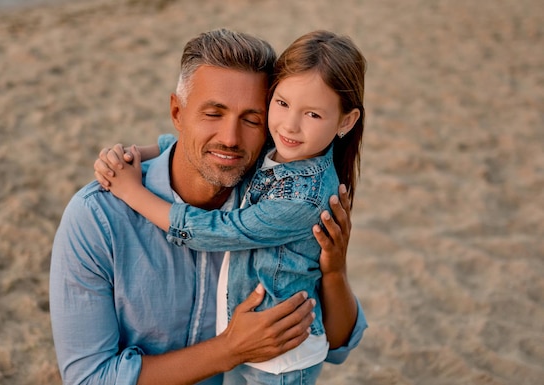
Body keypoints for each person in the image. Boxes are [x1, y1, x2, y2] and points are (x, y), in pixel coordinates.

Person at [51, 28, 366, 385]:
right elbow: (88, 379)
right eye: (214, 113)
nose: (231, 139)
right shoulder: (97, 218)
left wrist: (335, 271)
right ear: (177, 112)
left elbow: (339, 345)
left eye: (252, 119)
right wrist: (229, 349)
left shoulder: (273, 197)